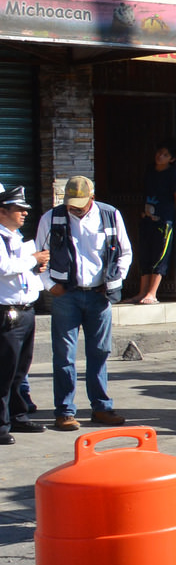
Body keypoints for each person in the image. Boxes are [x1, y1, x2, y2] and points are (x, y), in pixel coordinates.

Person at [37, 176, 130, 430]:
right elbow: (39, 256)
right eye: (71, 203)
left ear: (92, 197)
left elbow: (124, 252)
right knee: (64, 355)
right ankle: (65, 411)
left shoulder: (110, 215)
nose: (75, 208)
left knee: (100, 352)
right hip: (66, 295)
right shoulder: (52, 218)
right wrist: (50, 285)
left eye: (80, 203)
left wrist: (115, 280)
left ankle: (101, 407)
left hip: (100, 295)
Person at [0, 188, 48, 444]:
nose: (25, 213)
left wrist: (38, 267)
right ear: (2, 211)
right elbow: (4, 267)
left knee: (20, 370)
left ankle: (17, 417)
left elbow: (22, 273)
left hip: (25, 310)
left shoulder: (16, 238)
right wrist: (32, 259)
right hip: (7, 313)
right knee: (4, 371)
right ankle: (1, 425)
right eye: (18, 209)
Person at [132, 144, 176, 305]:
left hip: (163, 221)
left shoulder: (172, 175)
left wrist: (164, 212)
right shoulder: (150, 171)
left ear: (172, 159)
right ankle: (142, 292)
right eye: (159, 152)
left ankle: (152, 293)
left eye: (165, 154)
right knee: (144, 254)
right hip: (147, 219)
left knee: (159, 255)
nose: (160, 156)